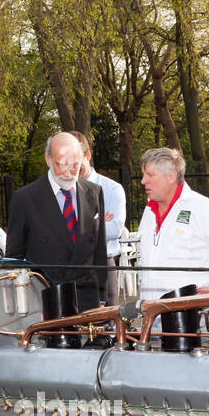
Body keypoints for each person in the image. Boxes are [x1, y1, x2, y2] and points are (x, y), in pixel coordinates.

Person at [5, 132, 108, 309]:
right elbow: (14, 258)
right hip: (44, 299)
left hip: (87, 299)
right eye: (61, 165)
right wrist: (21, 304)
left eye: (75, 165)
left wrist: (102, 297)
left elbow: (100, 250)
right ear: (48, 159)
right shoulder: (24, 199)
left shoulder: (94, 192)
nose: (68, 172)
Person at [137, 147, 209, 303]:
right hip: (151, 313)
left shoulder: (200, 207)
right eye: (143, 175)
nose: (143, 181)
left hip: (189, 315)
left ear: (172, 176)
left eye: (150, 175)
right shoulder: (149, 211)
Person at [69, 130, 127, 306]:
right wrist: (98, 224)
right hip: (69, 267)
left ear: (87, 155)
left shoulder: (112, 189)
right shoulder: (61, 191)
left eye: (75, 161)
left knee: (106, 326)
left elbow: (114, 230)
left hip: (102, 266)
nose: (71, 168)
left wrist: (73, 228)